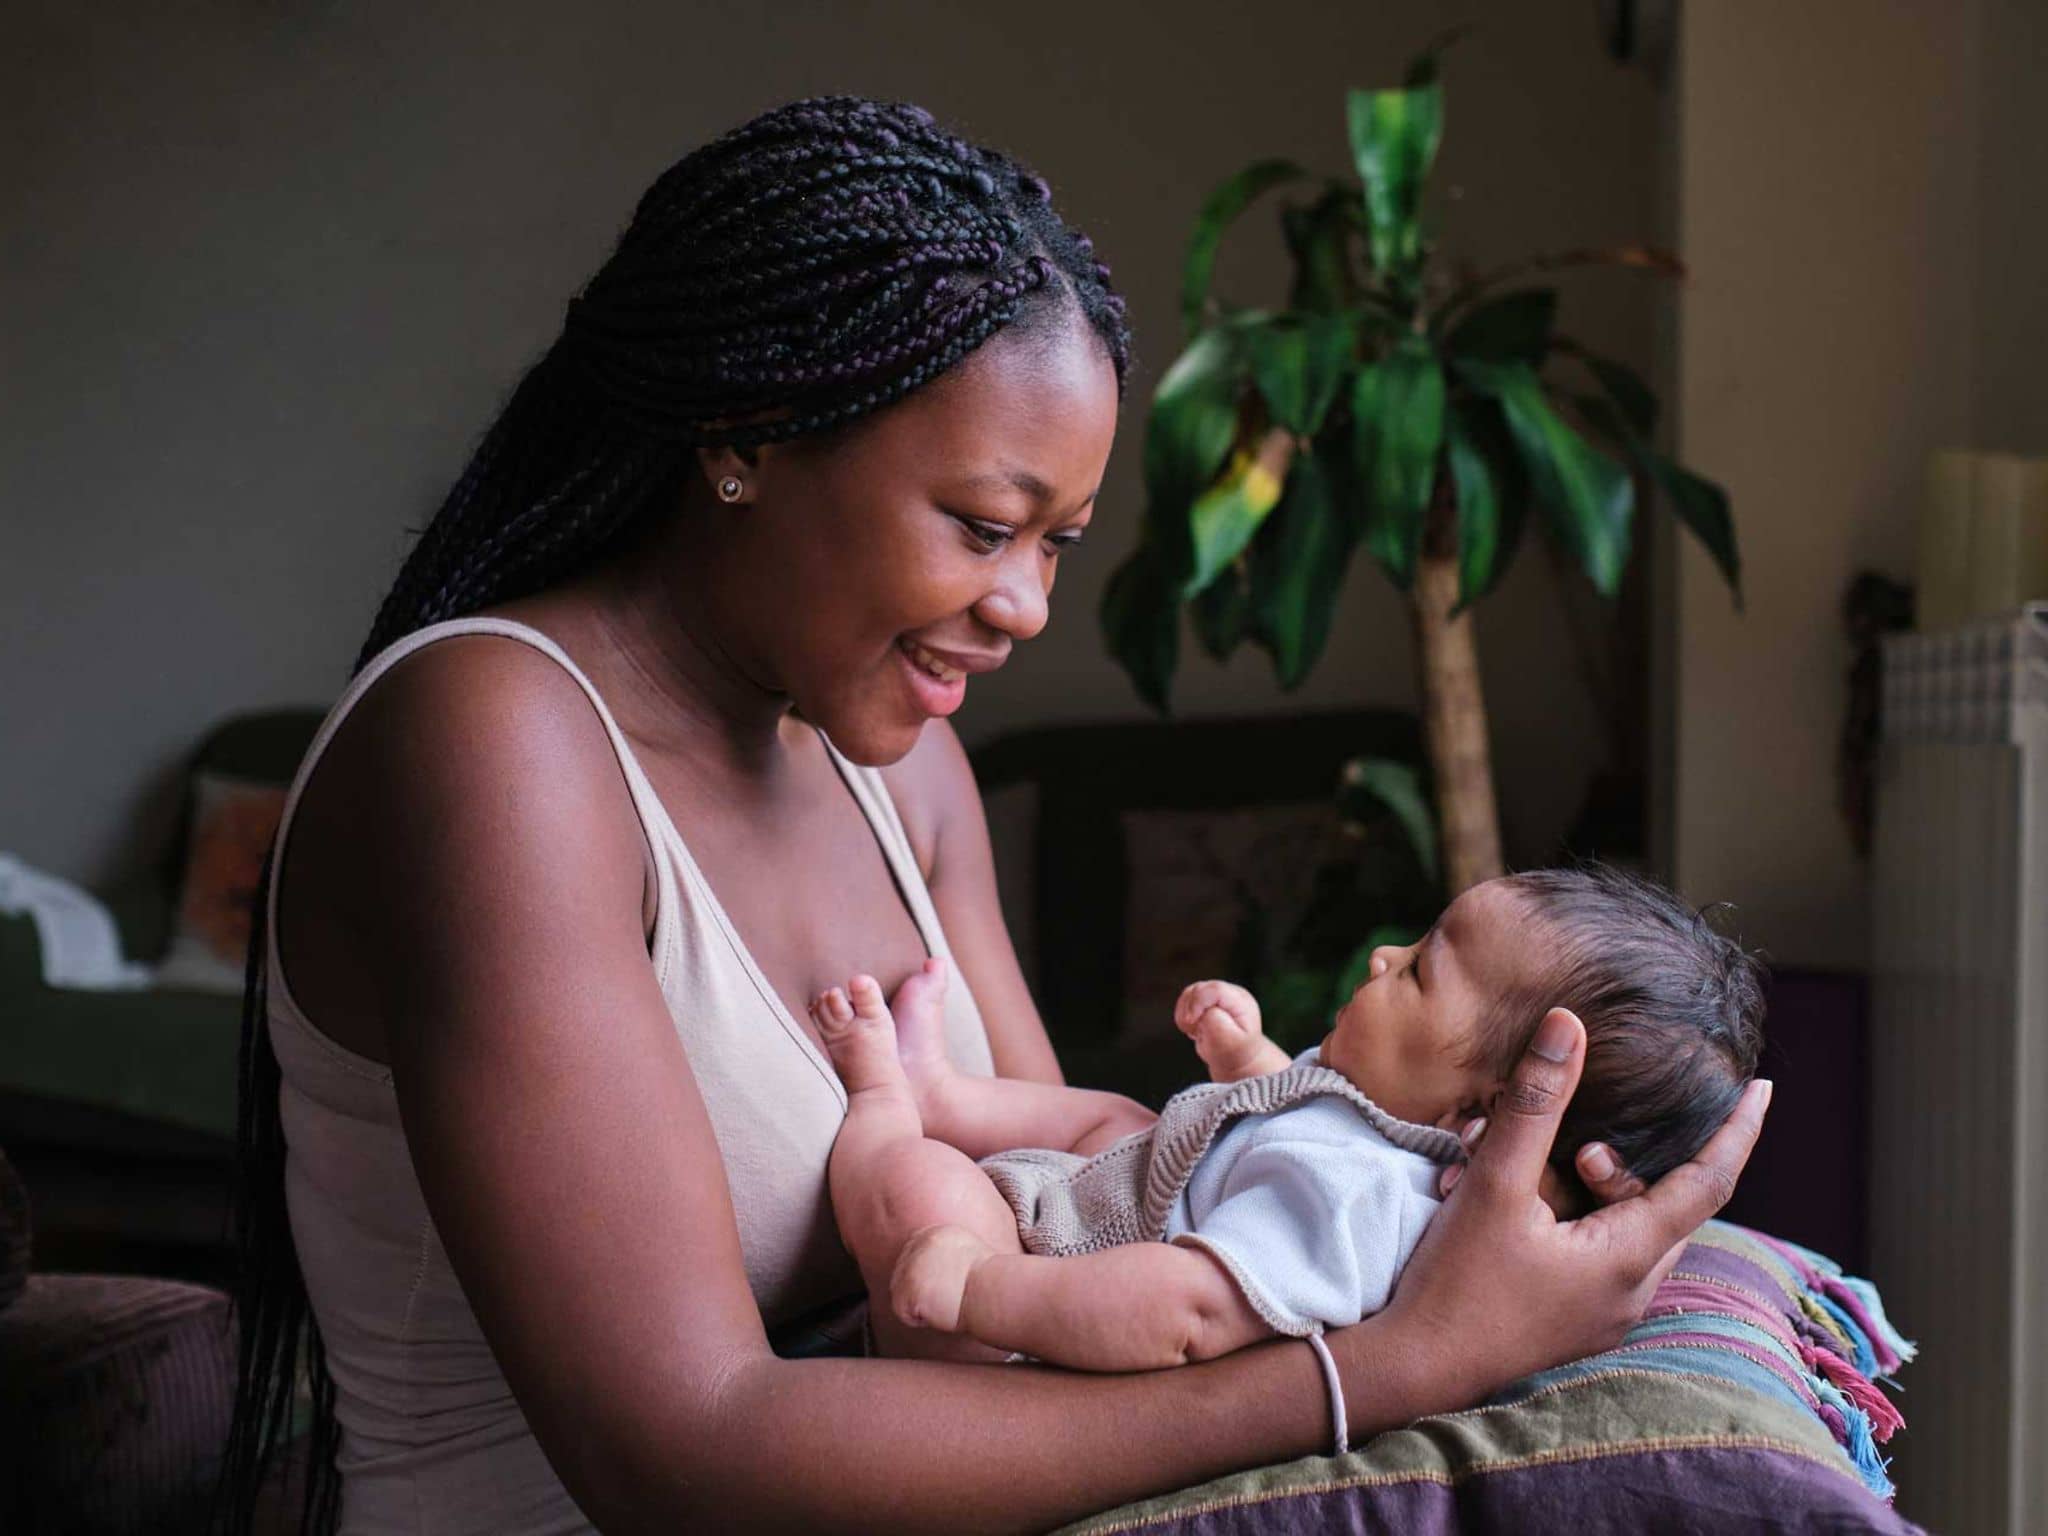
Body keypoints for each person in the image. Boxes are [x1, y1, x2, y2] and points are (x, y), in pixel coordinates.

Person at [217, 95, 1771, 1536]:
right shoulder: (494, 748)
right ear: (746, 436)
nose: (1027, 608)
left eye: (1063, 545)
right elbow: (684, 1456)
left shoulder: (900, 759)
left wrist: (1476, 1210)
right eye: (983, 526)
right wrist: (1395, 1369)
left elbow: (1079, 1232)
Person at [810, 864, 1765, 1372]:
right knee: (1116, 1115)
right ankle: (946, 1093)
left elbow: (1186, 1313)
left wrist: (983, 1288)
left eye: (1424, 970)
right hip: (1130, 1194)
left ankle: (889, 1115)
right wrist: (1247, 1061)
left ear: (1479, 1118)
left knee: (927, 1189)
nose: (1385, 956)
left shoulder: (1350, 1201)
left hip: (1052, 1319)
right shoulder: (1378, 1123)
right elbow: (1288, 1124)